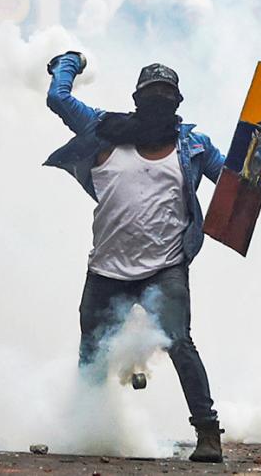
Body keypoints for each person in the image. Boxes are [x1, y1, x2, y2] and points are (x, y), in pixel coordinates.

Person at [44, 53, 227, 462]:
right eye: (151, 95)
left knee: (179, 342)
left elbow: (236, 181)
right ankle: (87, 430)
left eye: (166, 96)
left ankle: (209, 434)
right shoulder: (102, 130)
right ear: (135, 98)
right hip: (107, 268)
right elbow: (58, 97)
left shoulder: (194, 146)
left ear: (178, 104)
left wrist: (259, 152)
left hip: (165, 268)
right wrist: (69, 60)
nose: (159, 102)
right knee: (92, 349)